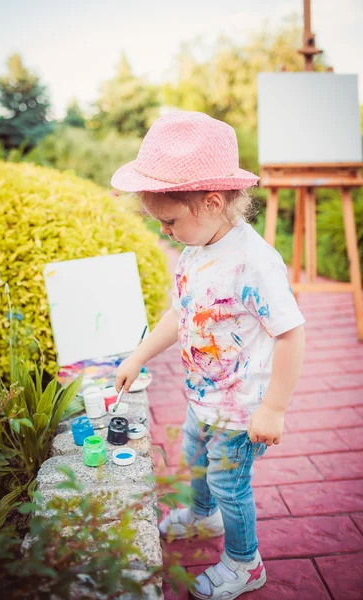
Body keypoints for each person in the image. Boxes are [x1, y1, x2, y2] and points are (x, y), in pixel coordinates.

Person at [112, 111, 305, 599]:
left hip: (243, 410)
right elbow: (181, 313)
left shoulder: (255, 264)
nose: (166, 233)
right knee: (194, 459)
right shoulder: (196, 249)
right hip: (203, 396)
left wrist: (274, 407)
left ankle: (246, 563)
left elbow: (290, 334)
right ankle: (203, 516)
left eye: (170, 221)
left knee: (229, 483)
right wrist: (138, 356)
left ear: (213, 203)